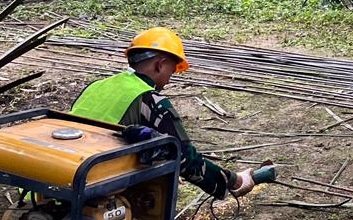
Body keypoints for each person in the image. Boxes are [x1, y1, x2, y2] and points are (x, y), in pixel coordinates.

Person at [71, 28, 258, 199]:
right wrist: (234, 181)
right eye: (173, 69)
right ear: (160, 64)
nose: (170, 79)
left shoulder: (95, 86)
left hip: (66, 169)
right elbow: (185, 158)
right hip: (95, 182)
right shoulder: (151, 101)